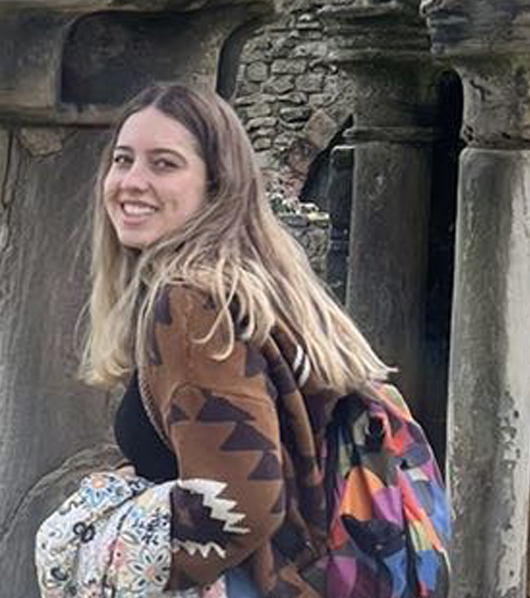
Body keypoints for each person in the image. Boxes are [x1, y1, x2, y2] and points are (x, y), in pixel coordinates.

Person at [79, 83, 395, 597]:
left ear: (216, 184)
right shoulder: (256, 286)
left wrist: (105, 554)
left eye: (163, 164)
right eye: (122, 160)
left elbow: (240, 505)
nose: (131, 182)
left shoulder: (192, 302)